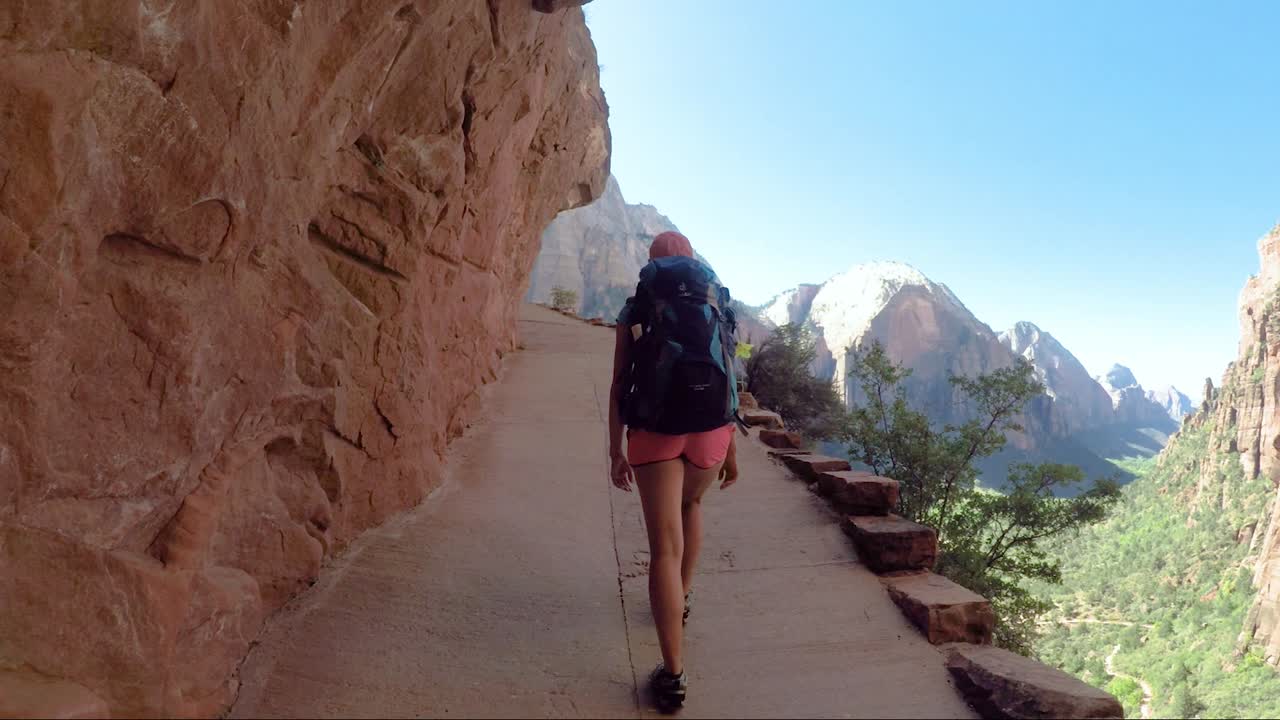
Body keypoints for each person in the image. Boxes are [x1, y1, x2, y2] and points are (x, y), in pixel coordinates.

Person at [608, 231, 740, 712]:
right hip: (712, 429)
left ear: (652, 264)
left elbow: (620, 381)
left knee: (663, 547)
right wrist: (732, 450)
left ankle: (673, 675)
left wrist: (614, 448)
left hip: (657, 430)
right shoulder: (717, 301)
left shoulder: (636, 306)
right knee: (693, 503)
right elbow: (730, 367)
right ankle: (679, 601)